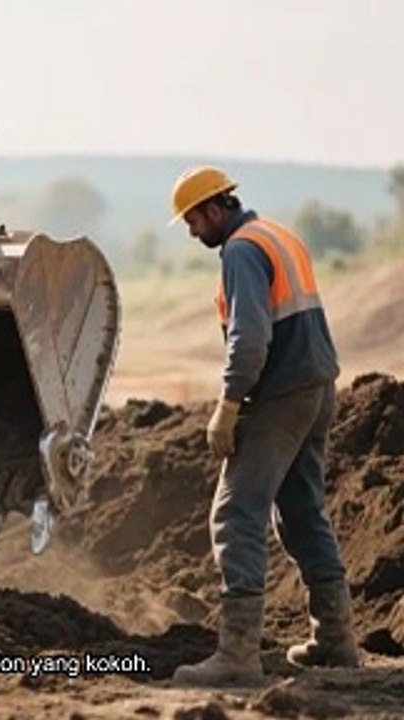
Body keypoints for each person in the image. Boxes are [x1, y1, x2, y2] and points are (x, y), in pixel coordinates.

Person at [167, 167, 359, 686]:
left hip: (281, 394)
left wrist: (228, 405)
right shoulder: (277, 234)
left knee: (235, 515)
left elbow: (249, 338)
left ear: (213, 210)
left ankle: (237, 656)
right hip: (318, 386)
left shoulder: (240, 251)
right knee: (300, 511)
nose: (190, 232)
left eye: (191, 221)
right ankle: (336, 640)